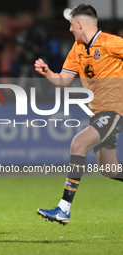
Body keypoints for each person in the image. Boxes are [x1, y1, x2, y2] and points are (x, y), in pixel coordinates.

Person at [34, 4, 123, 225]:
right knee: (110, 170)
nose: (70, 29)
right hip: (98, 113)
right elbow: (63, 81)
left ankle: (64, 208)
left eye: (72, 24)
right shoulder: (77, 48)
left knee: (78, 143)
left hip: (114, 111)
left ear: (80, 23)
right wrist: (47, 73)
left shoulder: (112, 43)